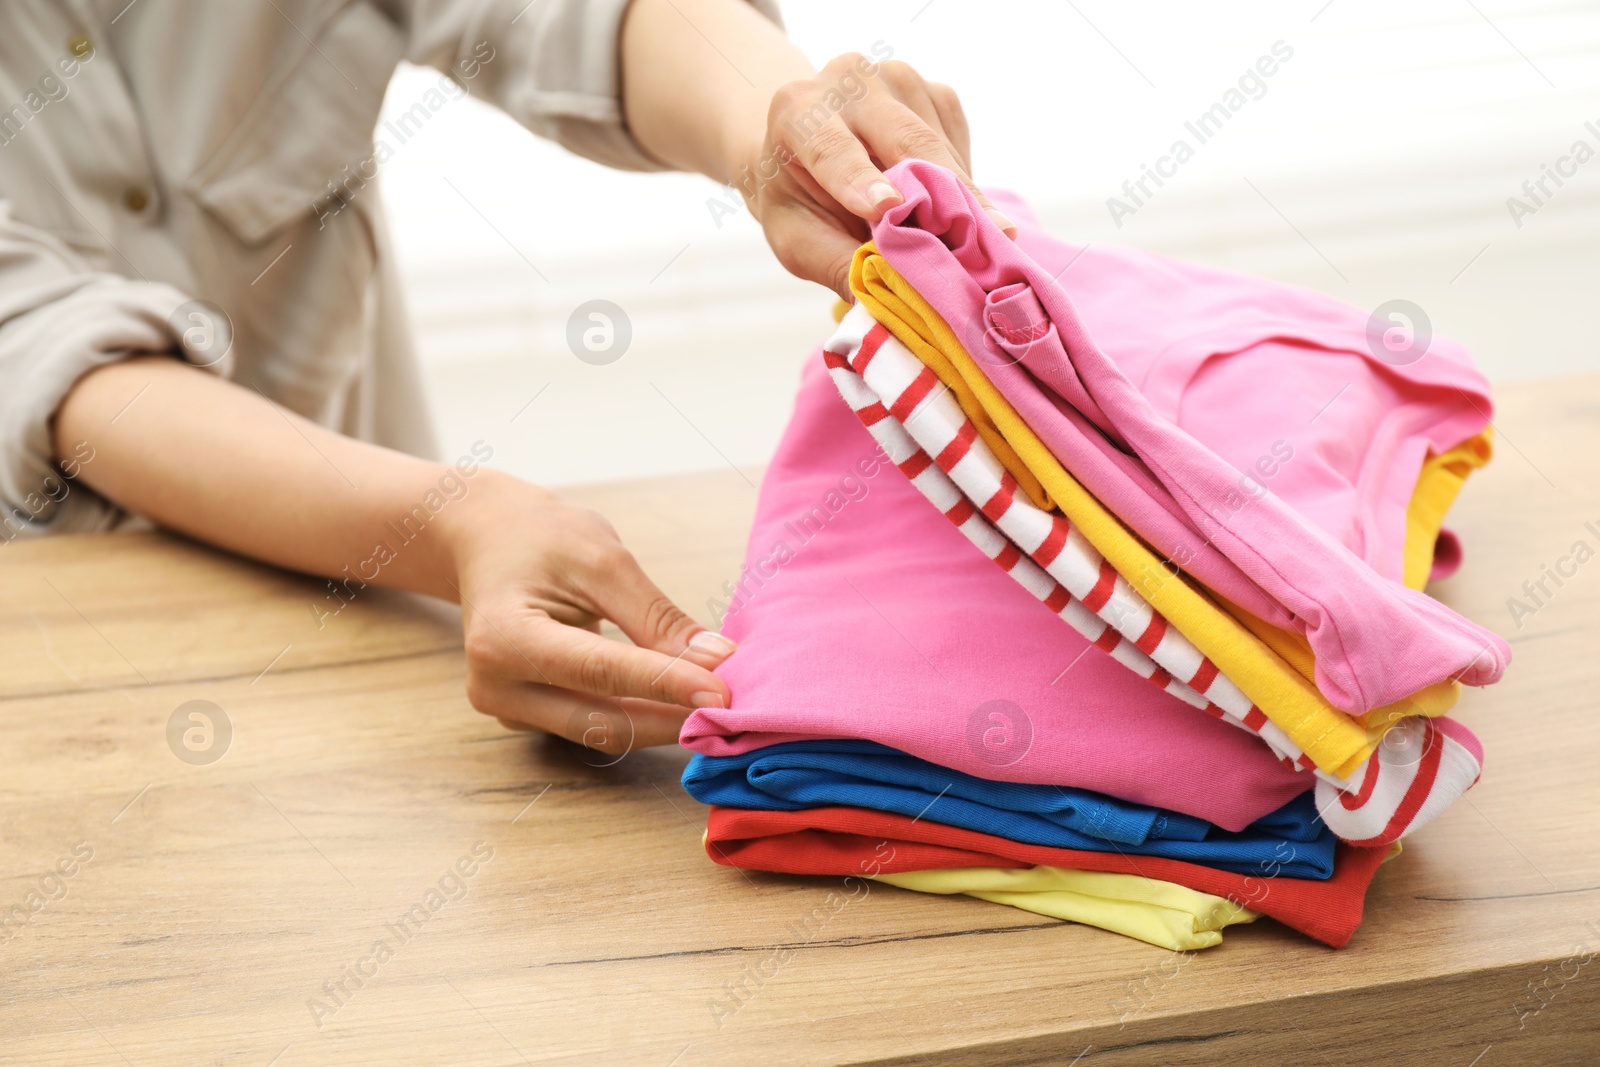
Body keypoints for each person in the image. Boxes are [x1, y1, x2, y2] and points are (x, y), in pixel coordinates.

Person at [0, 0, 1012, 752]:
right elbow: (48, 354)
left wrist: (776, 121)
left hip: (385, 642)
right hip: (49, 683)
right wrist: (453, 519)